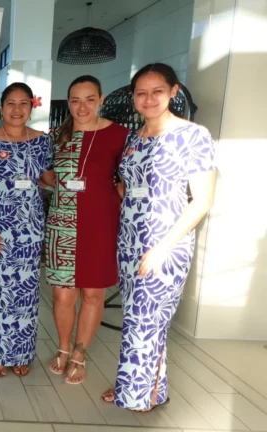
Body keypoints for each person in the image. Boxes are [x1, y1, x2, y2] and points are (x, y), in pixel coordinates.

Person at [101, 63, 216, 411]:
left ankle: (136, 394)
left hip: (166, 243)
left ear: (173, 92)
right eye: (141, 92)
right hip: (130, 240)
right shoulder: (134, 138)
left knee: (144, 318)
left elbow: (202, 201)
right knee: (143, 319)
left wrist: (161, 248)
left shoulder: (193, 135)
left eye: (157, 91)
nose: (148, 99)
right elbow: (129, 187)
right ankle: (148, 387)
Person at [43, 76, 130, 384]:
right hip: (62, 222)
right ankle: (63, 348)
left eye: (90, 100)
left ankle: (79, 355)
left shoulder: (120, 135)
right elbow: (46, 175)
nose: (82, 107)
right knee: (62, 295)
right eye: (75, 100)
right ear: (68, 102)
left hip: (101, 223)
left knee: (93, 293)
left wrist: (114, 194)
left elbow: (131, 177)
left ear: (101, 100)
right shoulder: (57, 136)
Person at [0, 82, 54, 378]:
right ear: (1, 108)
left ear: (31, 107)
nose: (17, 109)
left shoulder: (42, 141)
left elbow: (48, 179)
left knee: (26, 294)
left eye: (23, 103)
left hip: (30, 231)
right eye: (11, 103)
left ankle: (22, 352)